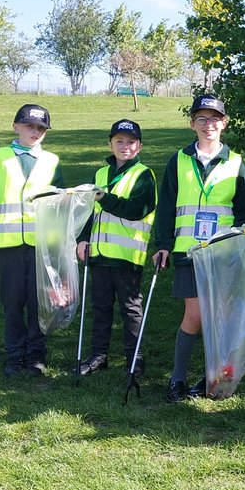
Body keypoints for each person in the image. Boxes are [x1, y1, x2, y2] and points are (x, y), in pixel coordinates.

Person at [150, 95, 245, 401]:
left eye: (214, 119)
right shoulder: (178, 160)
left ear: (224, 123)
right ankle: (177, 379)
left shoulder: (237, 163)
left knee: (222, 316)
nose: (208, 125)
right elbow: (165, 207)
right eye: (201, 119)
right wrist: (162, 244)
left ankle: (214, 376)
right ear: (192, 124)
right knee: (195, 315)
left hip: (225, 254)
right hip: (189, 252)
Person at [0, 104, 64, 376]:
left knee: (38, 302)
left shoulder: (51, 161)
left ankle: (36, 356)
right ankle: (14, 356)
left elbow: (58, 200)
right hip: (8, 242)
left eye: (40, 128)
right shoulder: (0, 155)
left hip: (40, 245)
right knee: (13, 302)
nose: (34, 132)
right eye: (29, 126)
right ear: (16, 126)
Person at [74, 119, 157, 379]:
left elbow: (136, 210)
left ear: (139, 146)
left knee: (130, 308)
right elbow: (89, 210)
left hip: (127, 254)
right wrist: (83, 238)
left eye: (131, 142)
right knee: (100, 307)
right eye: (119, 141)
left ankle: (135, 358)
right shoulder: (100, 174)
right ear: (110, 143)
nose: (125, 146)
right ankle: (99, 356)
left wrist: (104, 198)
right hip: (99, 252)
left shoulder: (144, 174)